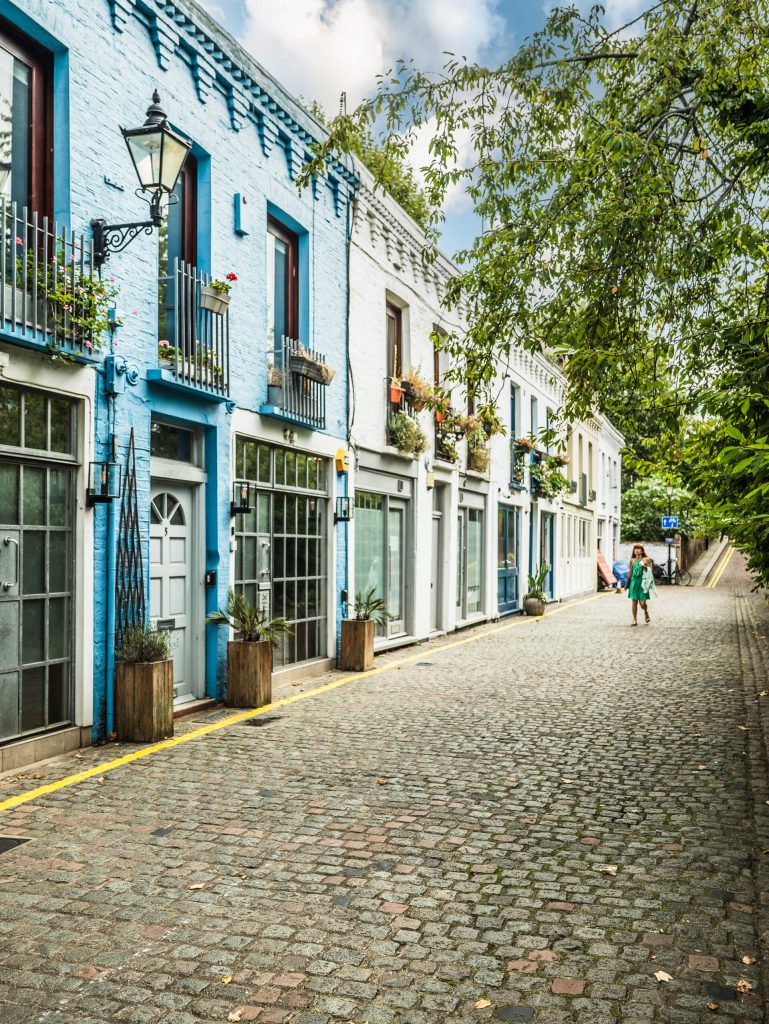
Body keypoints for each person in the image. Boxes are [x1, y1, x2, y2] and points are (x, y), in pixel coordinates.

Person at [627, 544, 654, 626]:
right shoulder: (632, 560)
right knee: (634, 602)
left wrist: (644, 567)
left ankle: (646, 612)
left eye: (639, 549)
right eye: (635, 548)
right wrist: (626, 584)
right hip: (634, 583)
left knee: (642, 604)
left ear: (642, 551)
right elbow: (630, 572)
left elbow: (650, 571)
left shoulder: (646, 560)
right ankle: (634, 620)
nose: (637, 550)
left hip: (643, 583)